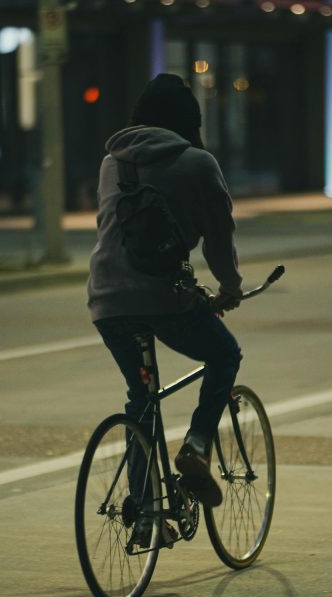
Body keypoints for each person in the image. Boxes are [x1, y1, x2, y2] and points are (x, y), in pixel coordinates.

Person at [87, 73, 243, 514]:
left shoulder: (112, 163)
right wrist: (230, 288)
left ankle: (143, 514)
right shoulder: (198, 163)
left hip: (107, 302)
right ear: (189, 123)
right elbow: (218, 237)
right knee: (224, 355)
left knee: (142, 399)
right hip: (163, 299)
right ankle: (196, 446)